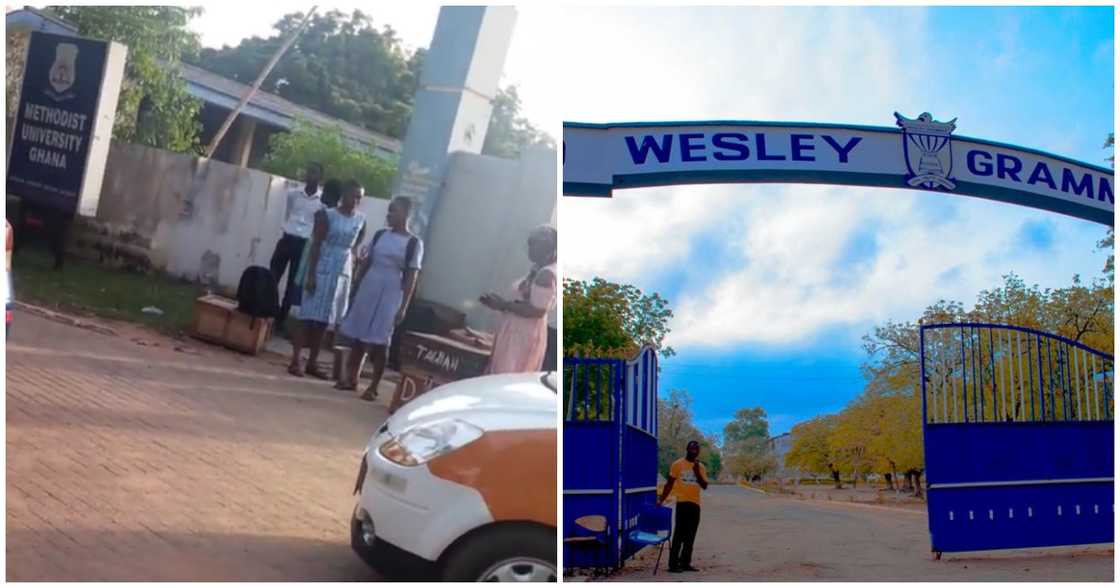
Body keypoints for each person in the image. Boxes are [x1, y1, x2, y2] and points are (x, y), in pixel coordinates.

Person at [337, 196, 422, 400]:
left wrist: (403, 307)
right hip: (370, 286)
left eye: (394, 211)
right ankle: (351, 379)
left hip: (391, 291)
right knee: (359, 334)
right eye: (389, 210)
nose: (389, 214)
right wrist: (356, 285)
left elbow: (412, 276)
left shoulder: (414, 243)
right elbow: (368, 262)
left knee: (381, 339)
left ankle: (373, 387)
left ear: (406, 215)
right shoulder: (380, 235)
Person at [286, 179, 366, 378]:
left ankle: (312, 361)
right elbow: (315, 245)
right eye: (353, 195)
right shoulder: (326, 216)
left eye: (360, 198)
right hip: (322, 265)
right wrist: (311, 274)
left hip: (342, 271)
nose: (356, 200)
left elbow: (355, 246)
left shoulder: (361, 219)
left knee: (325, 320)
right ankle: (296, 360)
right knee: (307, 316)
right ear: (343, 196)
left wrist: (353, 272)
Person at [480, 225, 557, 374]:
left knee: (507, 376)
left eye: (533, 243)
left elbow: (537, 310)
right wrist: (500, 305)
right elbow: (524, 300)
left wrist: (504, 305)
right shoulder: (538, 269)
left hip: (523, 337)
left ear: (546, 246)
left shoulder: (547, 274)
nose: (529, 247)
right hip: (516, 332)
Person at [270, 162, 324, 332]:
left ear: (320, 177)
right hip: (287, 239)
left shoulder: (322, 202)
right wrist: (287, 229)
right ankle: (268, 310)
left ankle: (281, 319)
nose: (311, 176)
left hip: (304, 245)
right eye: (309, 172)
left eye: (315, 173)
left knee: (293, 284)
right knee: (273, 276)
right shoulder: (293, 194)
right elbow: (285, 214)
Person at [658, 440, 709, 573]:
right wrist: (661, 499)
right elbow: (669, 483)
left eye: (696, 450)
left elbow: (704, 486)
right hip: (682, 503)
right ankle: (673, 564)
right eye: (691, 449)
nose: (694, 452)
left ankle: (685, 562)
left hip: (695, 504)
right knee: (679, 535)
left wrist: (697, 471)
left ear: (698, 451)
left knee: (690, 535)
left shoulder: (701, 467)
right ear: (687, 450)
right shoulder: (677, 464)